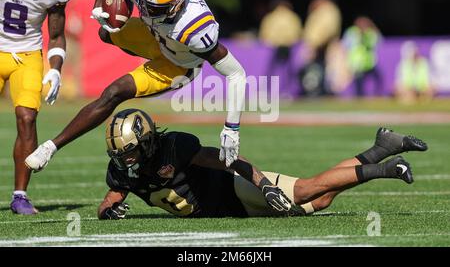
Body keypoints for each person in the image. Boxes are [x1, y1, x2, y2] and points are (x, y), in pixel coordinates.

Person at [25, 0, 247, 172]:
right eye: (146, 4)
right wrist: (98, 5)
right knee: (105, 31)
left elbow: (236, 74)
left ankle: (50, 147)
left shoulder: (197, 29)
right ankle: (51, 147)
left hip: (177, 65)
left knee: (114, 92)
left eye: (157, 7)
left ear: (179, 2)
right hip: (153, 37)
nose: (148, 10)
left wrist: (232, 128)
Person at [97, 109, 427, 220]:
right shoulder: (123, 171)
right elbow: (110, 200)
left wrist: (263, 184)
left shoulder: (175, 146)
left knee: (305, 191)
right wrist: (109, 211)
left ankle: (385, 168)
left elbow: (228, 161)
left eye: (131, 151)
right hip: (228, 210)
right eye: (121, 154)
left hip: (234, 188)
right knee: (320, 200)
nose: (126, 160)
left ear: (149, 142)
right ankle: (381, 148)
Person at [0, 0, 72, 214]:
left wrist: (55, 69)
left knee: (28, 118)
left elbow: (56, 34)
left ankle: (20, 196)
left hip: (28, 54)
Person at [299, 0, 341, 97]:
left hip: (322, 47)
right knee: (314, 70)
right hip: (316, 46)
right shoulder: (319, 12)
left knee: (321, 71)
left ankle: (320, 93)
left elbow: (326, 30)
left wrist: (316, 45)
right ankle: (316, 92)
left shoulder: (328, 11)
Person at [259, 0, 302, 97]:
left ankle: (264, 91)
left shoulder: (271, 17)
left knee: (270, 70)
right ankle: (287, 92)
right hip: (287, 45)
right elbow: (297, 32)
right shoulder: (292, 17)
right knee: (288, 71)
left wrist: (269, 40)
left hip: (274, 46)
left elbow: (264, 33)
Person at [343, 16, 382, 97]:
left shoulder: (369, 33)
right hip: (357, 65)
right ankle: (359, 100)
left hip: (369, 64)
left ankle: (377, 96)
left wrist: (373, 28)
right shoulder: (351, 32)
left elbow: (379, 40)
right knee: (359, 85)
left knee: (378, 79)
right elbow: (345, 45)